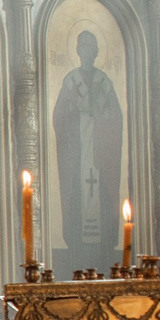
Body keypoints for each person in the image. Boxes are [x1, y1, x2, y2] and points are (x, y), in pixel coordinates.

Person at [50, 31, 124, 273]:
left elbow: (117, 119)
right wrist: (76, 121)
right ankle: (78, 262)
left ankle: (103, 261)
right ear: (78, 51)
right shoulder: (70, 81)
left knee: (101, 198)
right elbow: (59, 118)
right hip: (79, 155)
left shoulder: (104, 82)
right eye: (83, 46)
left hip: (100, 157)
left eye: (91, 46)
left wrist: (100, 124)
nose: (87, 50)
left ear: (96, 51)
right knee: (78, 201)